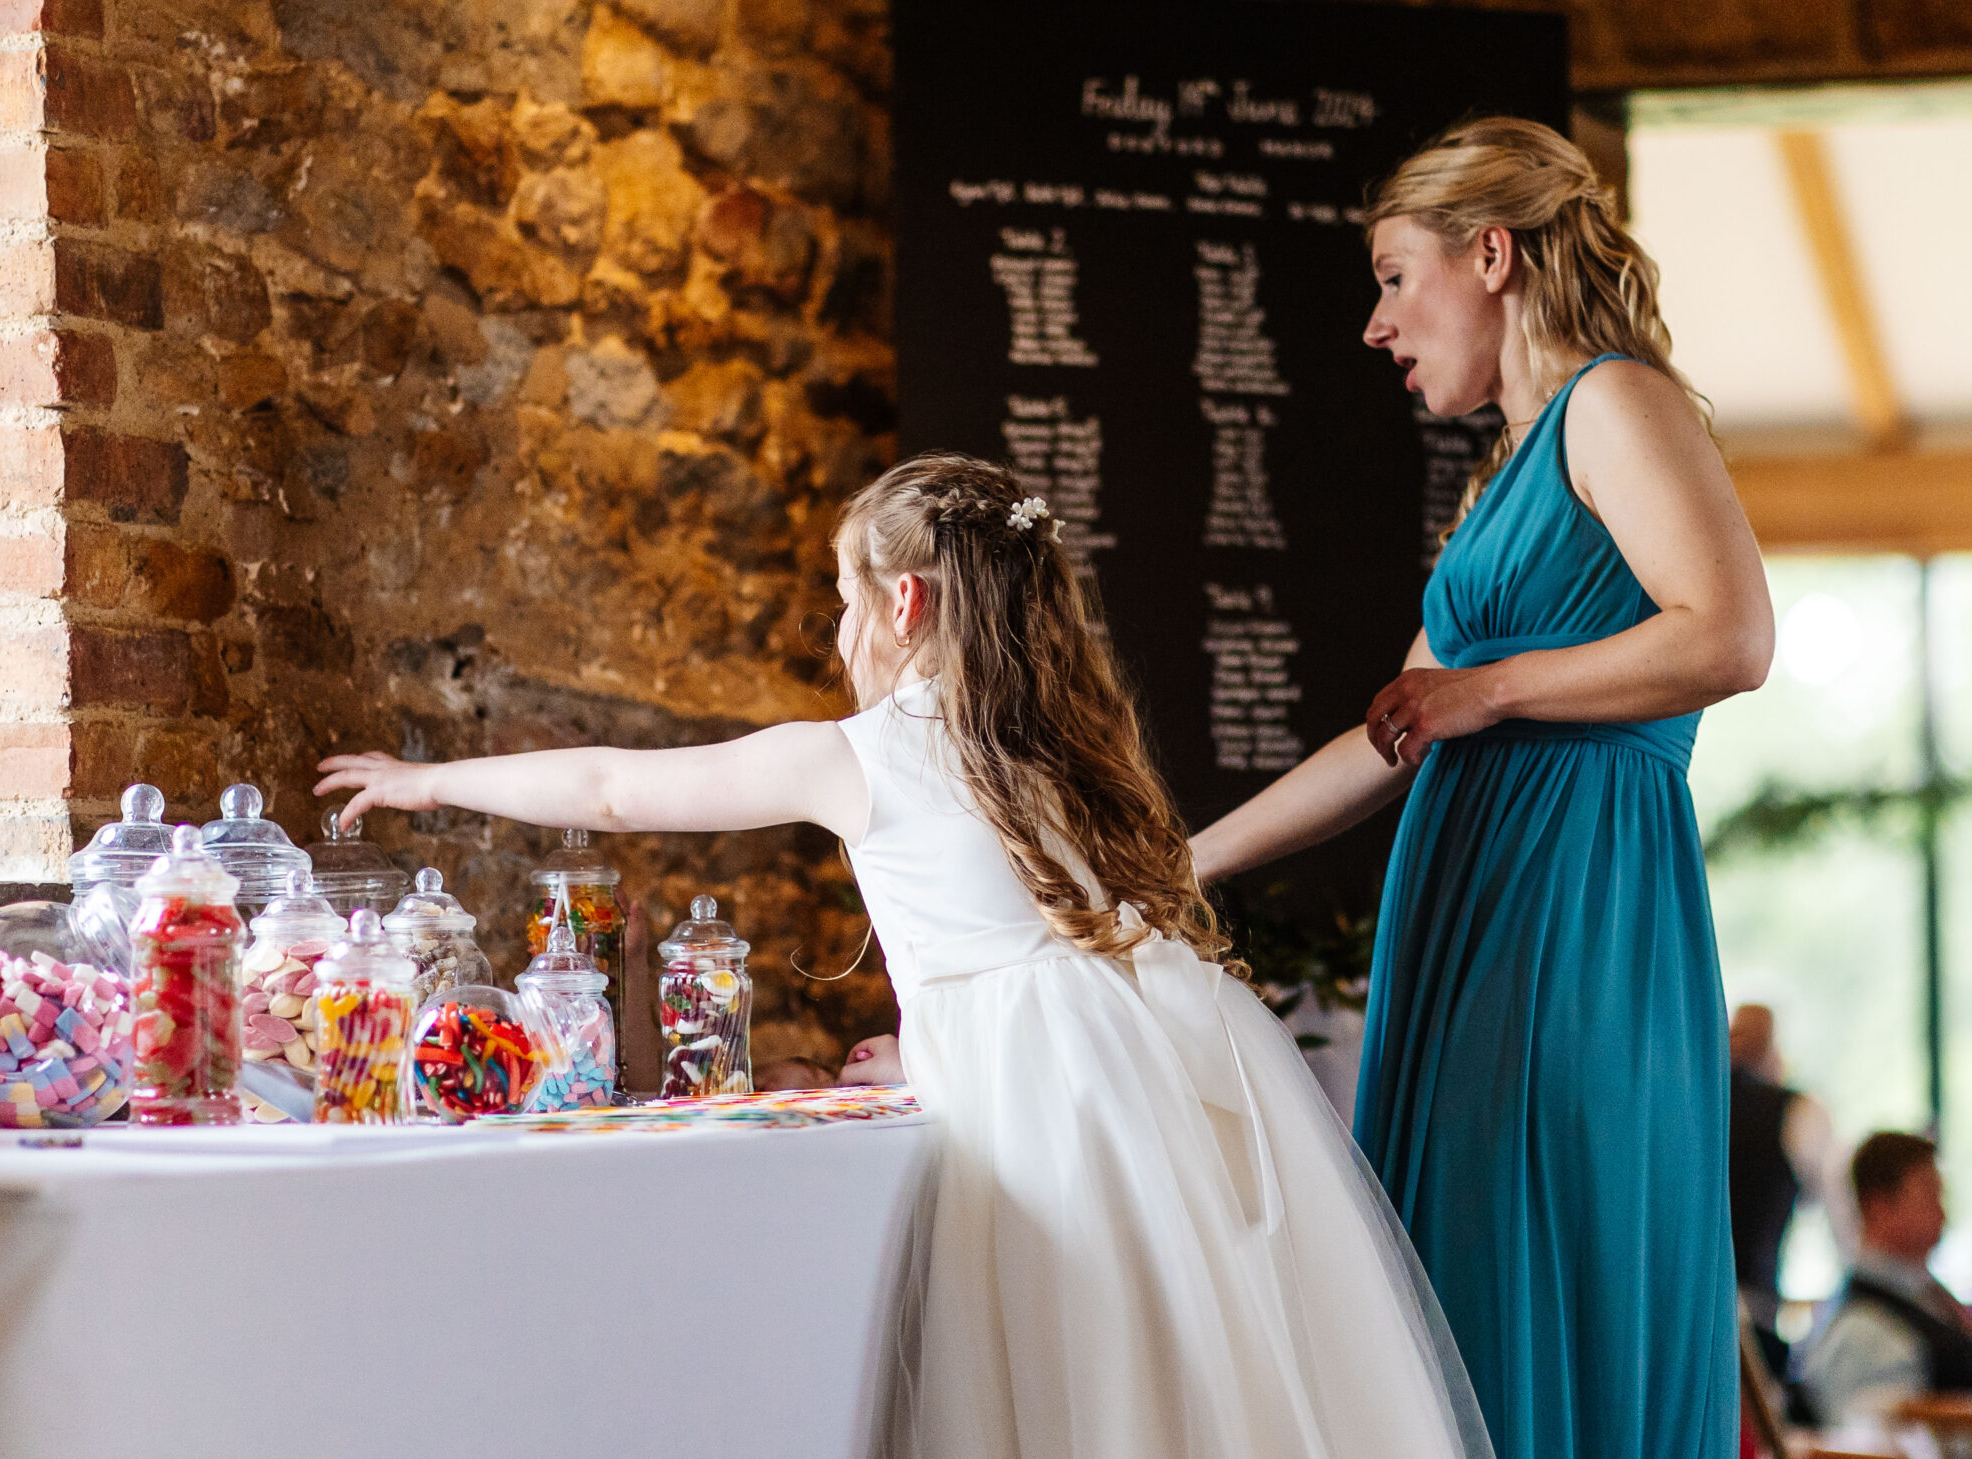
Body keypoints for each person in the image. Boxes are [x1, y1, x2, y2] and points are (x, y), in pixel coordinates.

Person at [320, 453, 1493, 1459]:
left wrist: (426, 782)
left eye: (844, 597)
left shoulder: (861, 755)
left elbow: (613, 788)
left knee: (1048, 1353)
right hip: (1139, 1072)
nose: (838, 628)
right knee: (1171, 1351)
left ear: (904, 603)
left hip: (1026, 1099)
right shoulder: (1074, 749)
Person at [1186, 118, 1775, 1459]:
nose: (1375, 325)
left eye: (1395, 276)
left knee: (1541, 1250)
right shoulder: (1509, 478)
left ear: (1492, 254)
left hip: (1572, 911)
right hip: (1481, 919)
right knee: (1459, 1265)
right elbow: (1390, 732)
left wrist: (1492, 689)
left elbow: (1731, 635)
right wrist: (1173, 863)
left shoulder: (1620, 402)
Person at [1792, 1132, 1972, 1426]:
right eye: (1929, 1196)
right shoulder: (1861, 1327)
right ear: (1878, 1207)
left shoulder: (1924, 1293)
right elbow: (1866, 1446)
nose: (1942, 1214)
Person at [1730, 1003, 1860, 1379]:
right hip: (1755, 1320)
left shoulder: (1679, 1103)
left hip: (1684, 1317)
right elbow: (1841, 1216)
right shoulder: (1797, 1111)